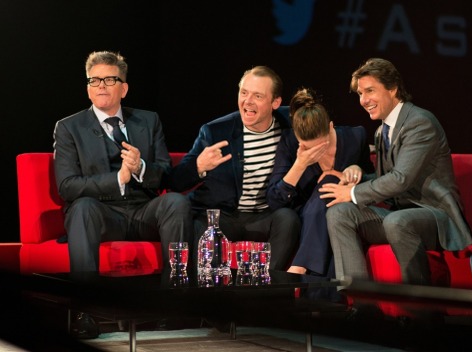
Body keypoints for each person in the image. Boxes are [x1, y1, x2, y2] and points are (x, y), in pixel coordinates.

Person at [53, 51, 193, 338]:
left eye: (109, 79)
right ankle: (85, 312)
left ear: (124, 88)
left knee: (176, 202)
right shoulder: (69, 127)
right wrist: (116, 178)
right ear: (88, 88)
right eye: (95, 80)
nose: (101, 85)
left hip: (143, 211)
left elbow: (167, 174)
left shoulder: (148, 121)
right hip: (101, 215)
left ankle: (174, 306)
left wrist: (141, 167)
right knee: (80, 208)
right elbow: (67, 186)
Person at [320, 58, 472, 286]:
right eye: (360, 94)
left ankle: (422, 314)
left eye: (370, 91)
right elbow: (386, 179)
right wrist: (356, 176)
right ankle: (362, 304)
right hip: (398, 214)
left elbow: (401, 179)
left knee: (397, 221)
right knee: (339, 213)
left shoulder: (420, 122)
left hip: (435, 215)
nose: (364, 100)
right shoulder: (382, 130)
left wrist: (354, 193)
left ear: (392, 88)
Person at [170, 66, 300, 271]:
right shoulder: (215, 131)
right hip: (222, 216)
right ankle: (204, 293)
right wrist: (199, 167)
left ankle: (269, 288)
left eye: (257, 95)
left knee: (288, 219)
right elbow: (176, 181)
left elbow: (328, 129)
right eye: (244, 93)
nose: (247, 101)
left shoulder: (292, 124)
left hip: (265, 216)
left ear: (275, 102)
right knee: (202, 227)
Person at [267, 87, 374, 277]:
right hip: (306, 215)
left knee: (333, 185)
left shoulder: (355, 137)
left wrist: (356, 171)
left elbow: (373, 179)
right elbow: (275, 201)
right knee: (331, 213)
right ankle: (327, 300)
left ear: (331, 127)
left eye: (321, 145)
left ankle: (301, 267)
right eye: (308, 148)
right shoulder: (289, 143)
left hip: (343, 209)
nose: (316, 153)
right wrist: (300, 164)